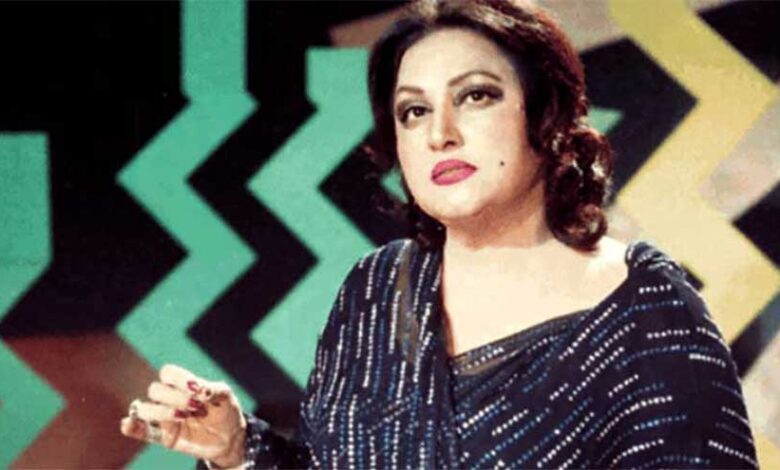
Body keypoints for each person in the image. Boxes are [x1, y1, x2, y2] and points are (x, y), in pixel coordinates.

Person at [120, 0, 758, 468]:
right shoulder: (375, 292)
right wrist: (237, 450)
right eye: (414, 110)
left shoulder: (645, 311)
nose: (439, 133)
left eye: (475, 96)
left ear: (547, 117)